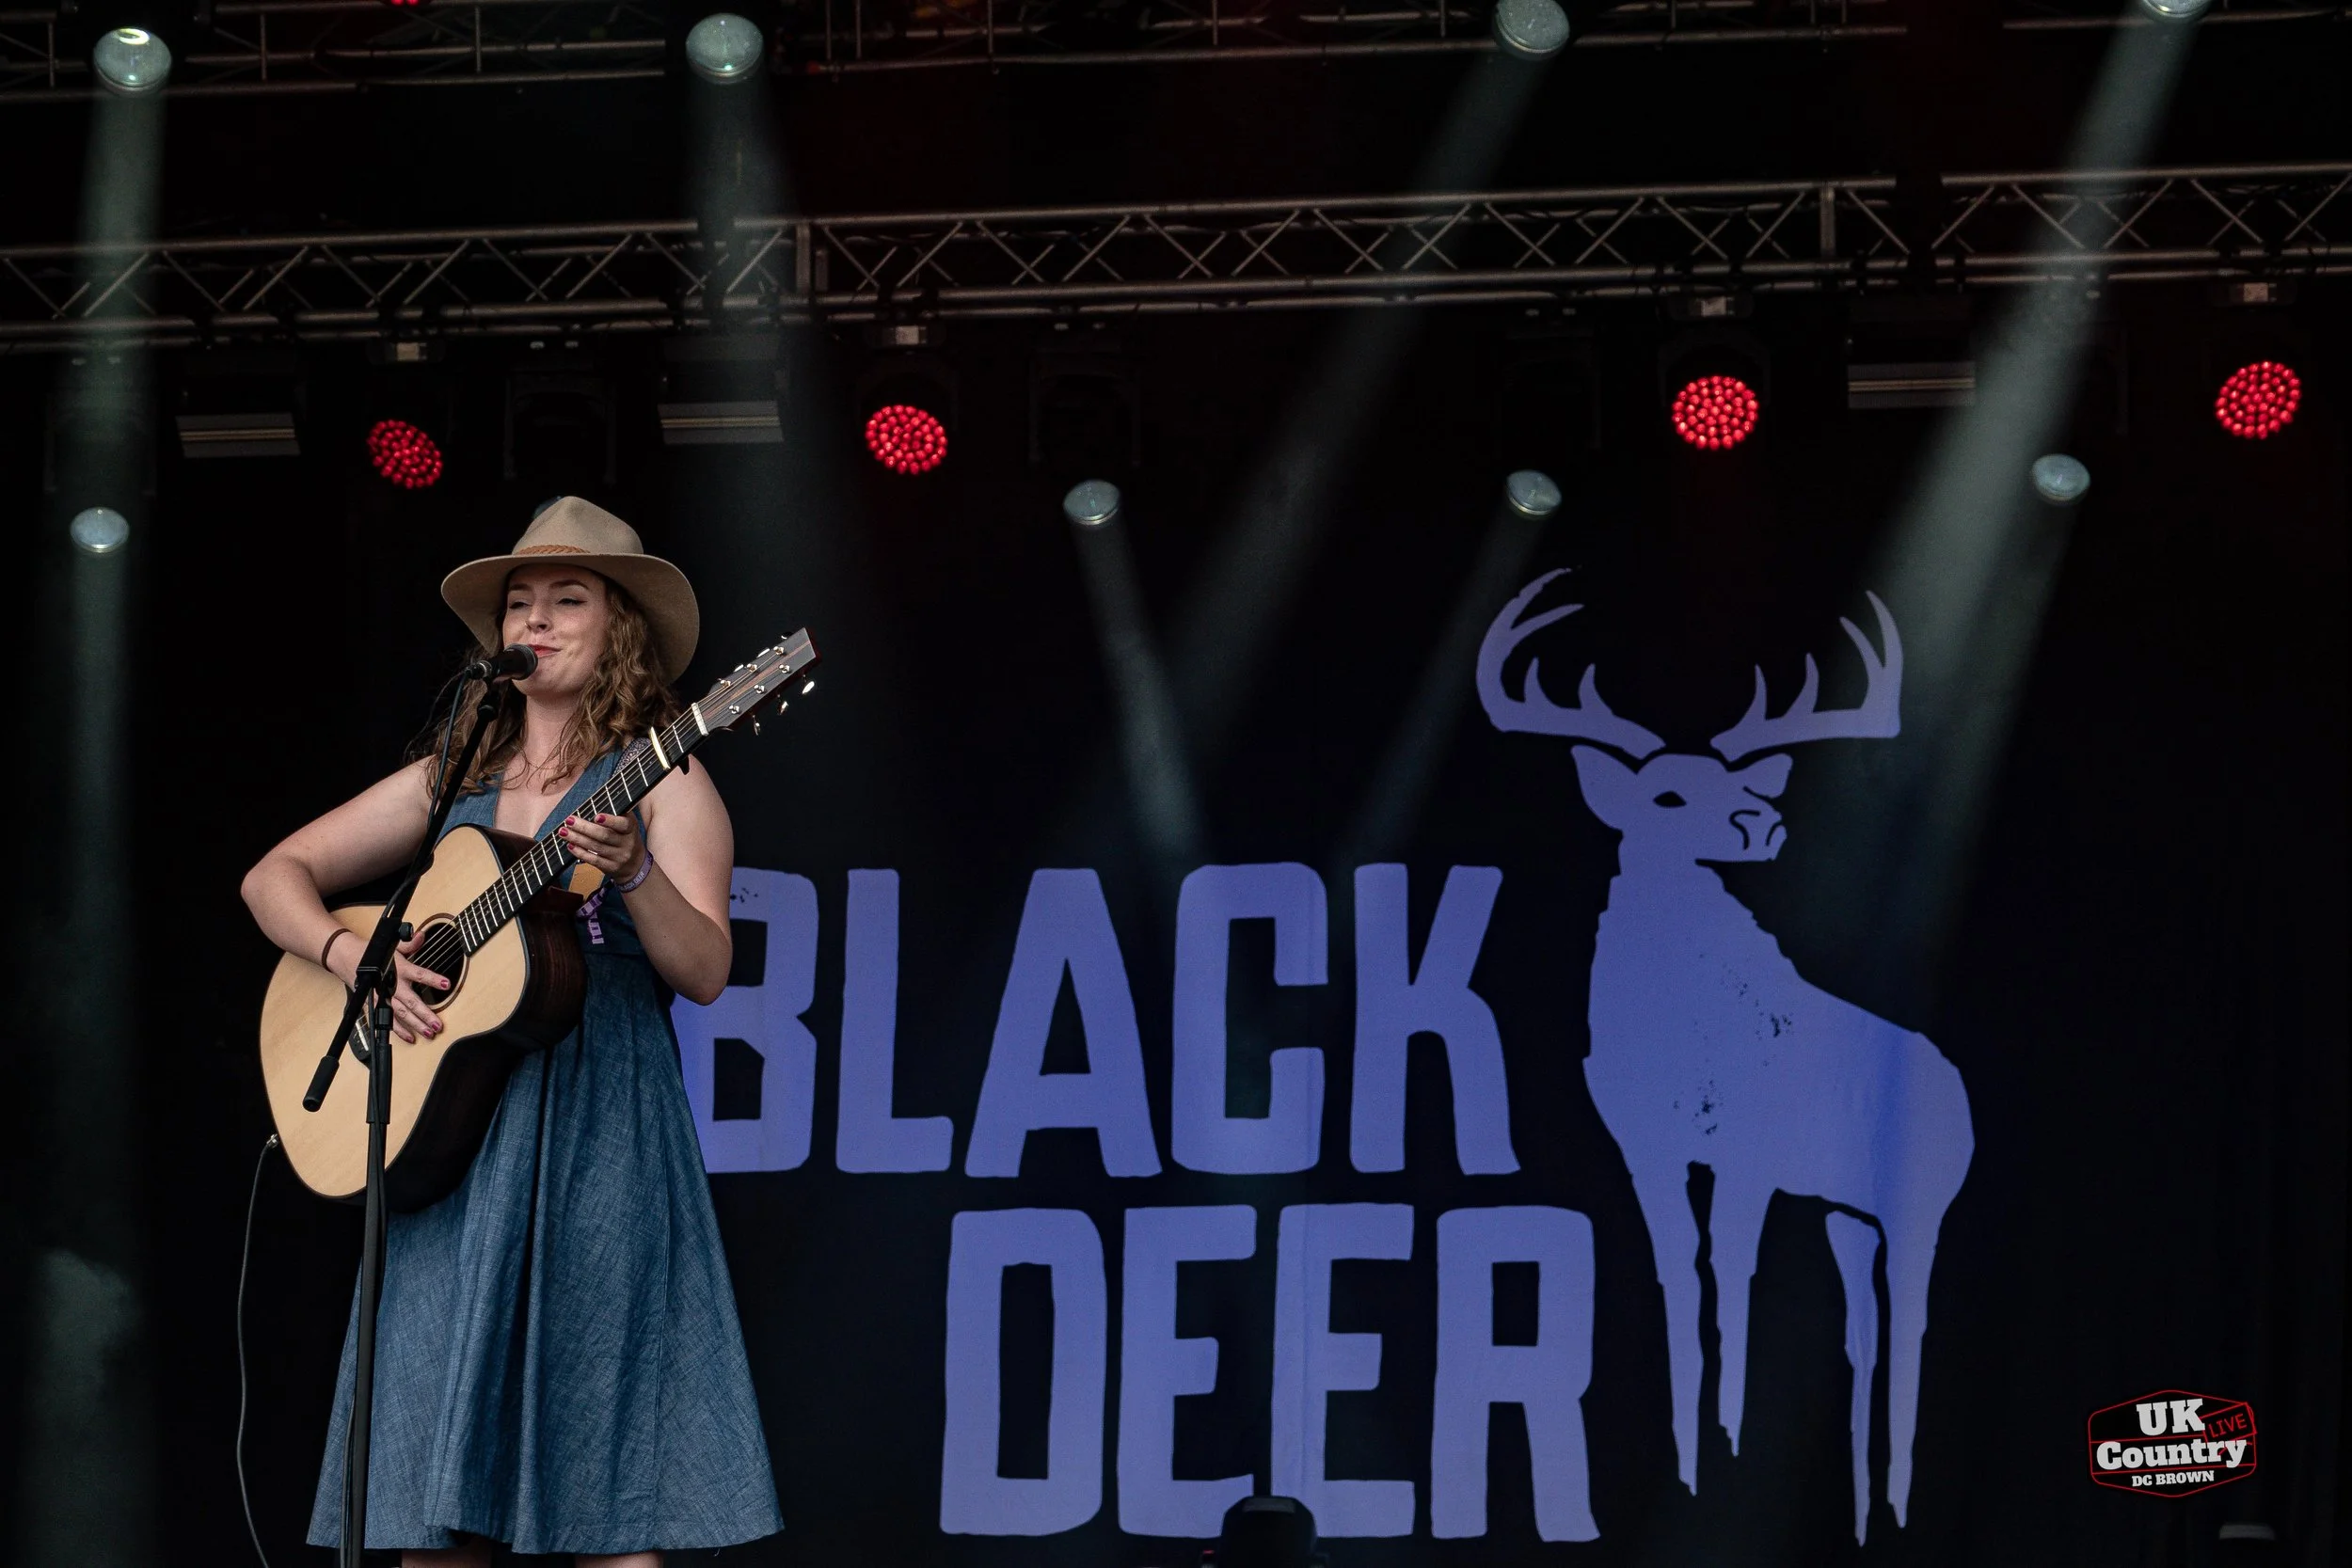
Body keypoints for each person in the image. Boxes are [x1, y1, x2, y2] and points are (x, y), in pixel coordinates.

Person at [241, 497, 782, 1567]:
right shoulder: (457, 774)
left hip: (599, 1128)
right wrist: (355, 956)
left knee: (612, 1494)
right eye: (519, 602)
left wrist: (634, 871)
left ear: (620, 626)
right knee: (432, 1521)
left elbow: (707, 970)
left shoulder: (666, 772)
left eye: (566, 599)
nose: (533, 618)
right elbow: (273, 876)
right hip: (449, 1142)